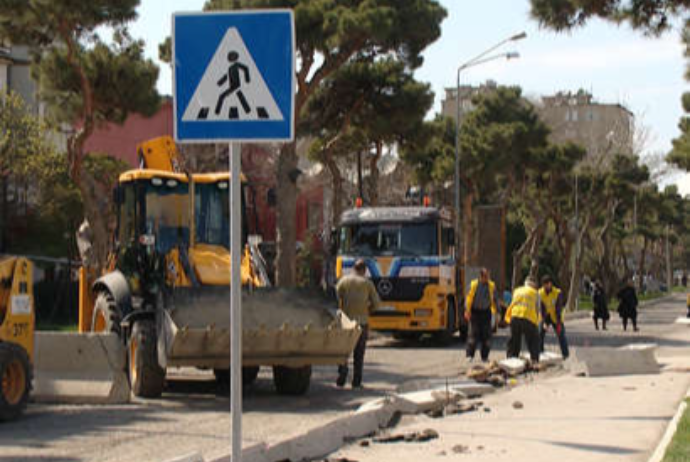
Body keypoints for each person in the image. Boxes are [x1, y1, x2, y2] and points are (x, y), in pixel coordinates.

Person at [335, 259, 380, 389]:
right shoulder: (367, 283)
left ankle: (341, 378)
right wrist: (368, 310)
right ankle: (356, 382)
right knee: (359, 354)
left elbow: (335, 297)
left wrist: (341, 311)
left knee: (343, 352)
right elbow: (376, 304)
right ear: (364, 270)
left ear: (354, 269)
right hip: (362, 323)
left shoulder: (344, 281)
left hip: (346, 323)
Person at [464, 268, 500, 362]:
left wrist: (498, 313)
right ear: (480, 276)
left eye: (488, 276)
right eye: (485, 276)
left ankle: (484, 356)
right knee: (473, 335)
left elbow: (496, 299)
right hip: (475, 312)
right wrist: (467, 310)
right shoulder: (473, 285)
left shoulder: (492, 286)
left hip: (486, 312)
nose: (487, 278)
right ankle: (469, 355)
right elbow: (468, 298)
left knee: (486, 336)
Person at [505, 277, 541, 362]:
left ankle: (511, 358)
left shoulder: (517, 290)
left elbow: (512, 303)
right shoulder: (535, 293)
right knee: (533, 340)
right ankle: (534, 359)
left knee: (514, 339)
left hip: (515, 316)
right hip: (528, 318)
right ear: (534, 285)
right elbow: (537, 309)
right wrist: (537, 323)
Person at [538, 275, 570, 359]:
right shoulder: (540, 293)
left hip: (556, 317)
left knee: (561, 334)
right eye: (544, 285)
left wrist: (558, 323)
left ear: (551, 284)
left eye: (547, 284)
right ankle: (540, 351)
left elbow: (558, 308)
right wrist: (544, 322)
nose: (546, 286)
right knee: (540, 332)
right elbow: (542, 308)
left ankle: (565, 354)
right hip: (546, 316)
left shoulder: (557, 292)